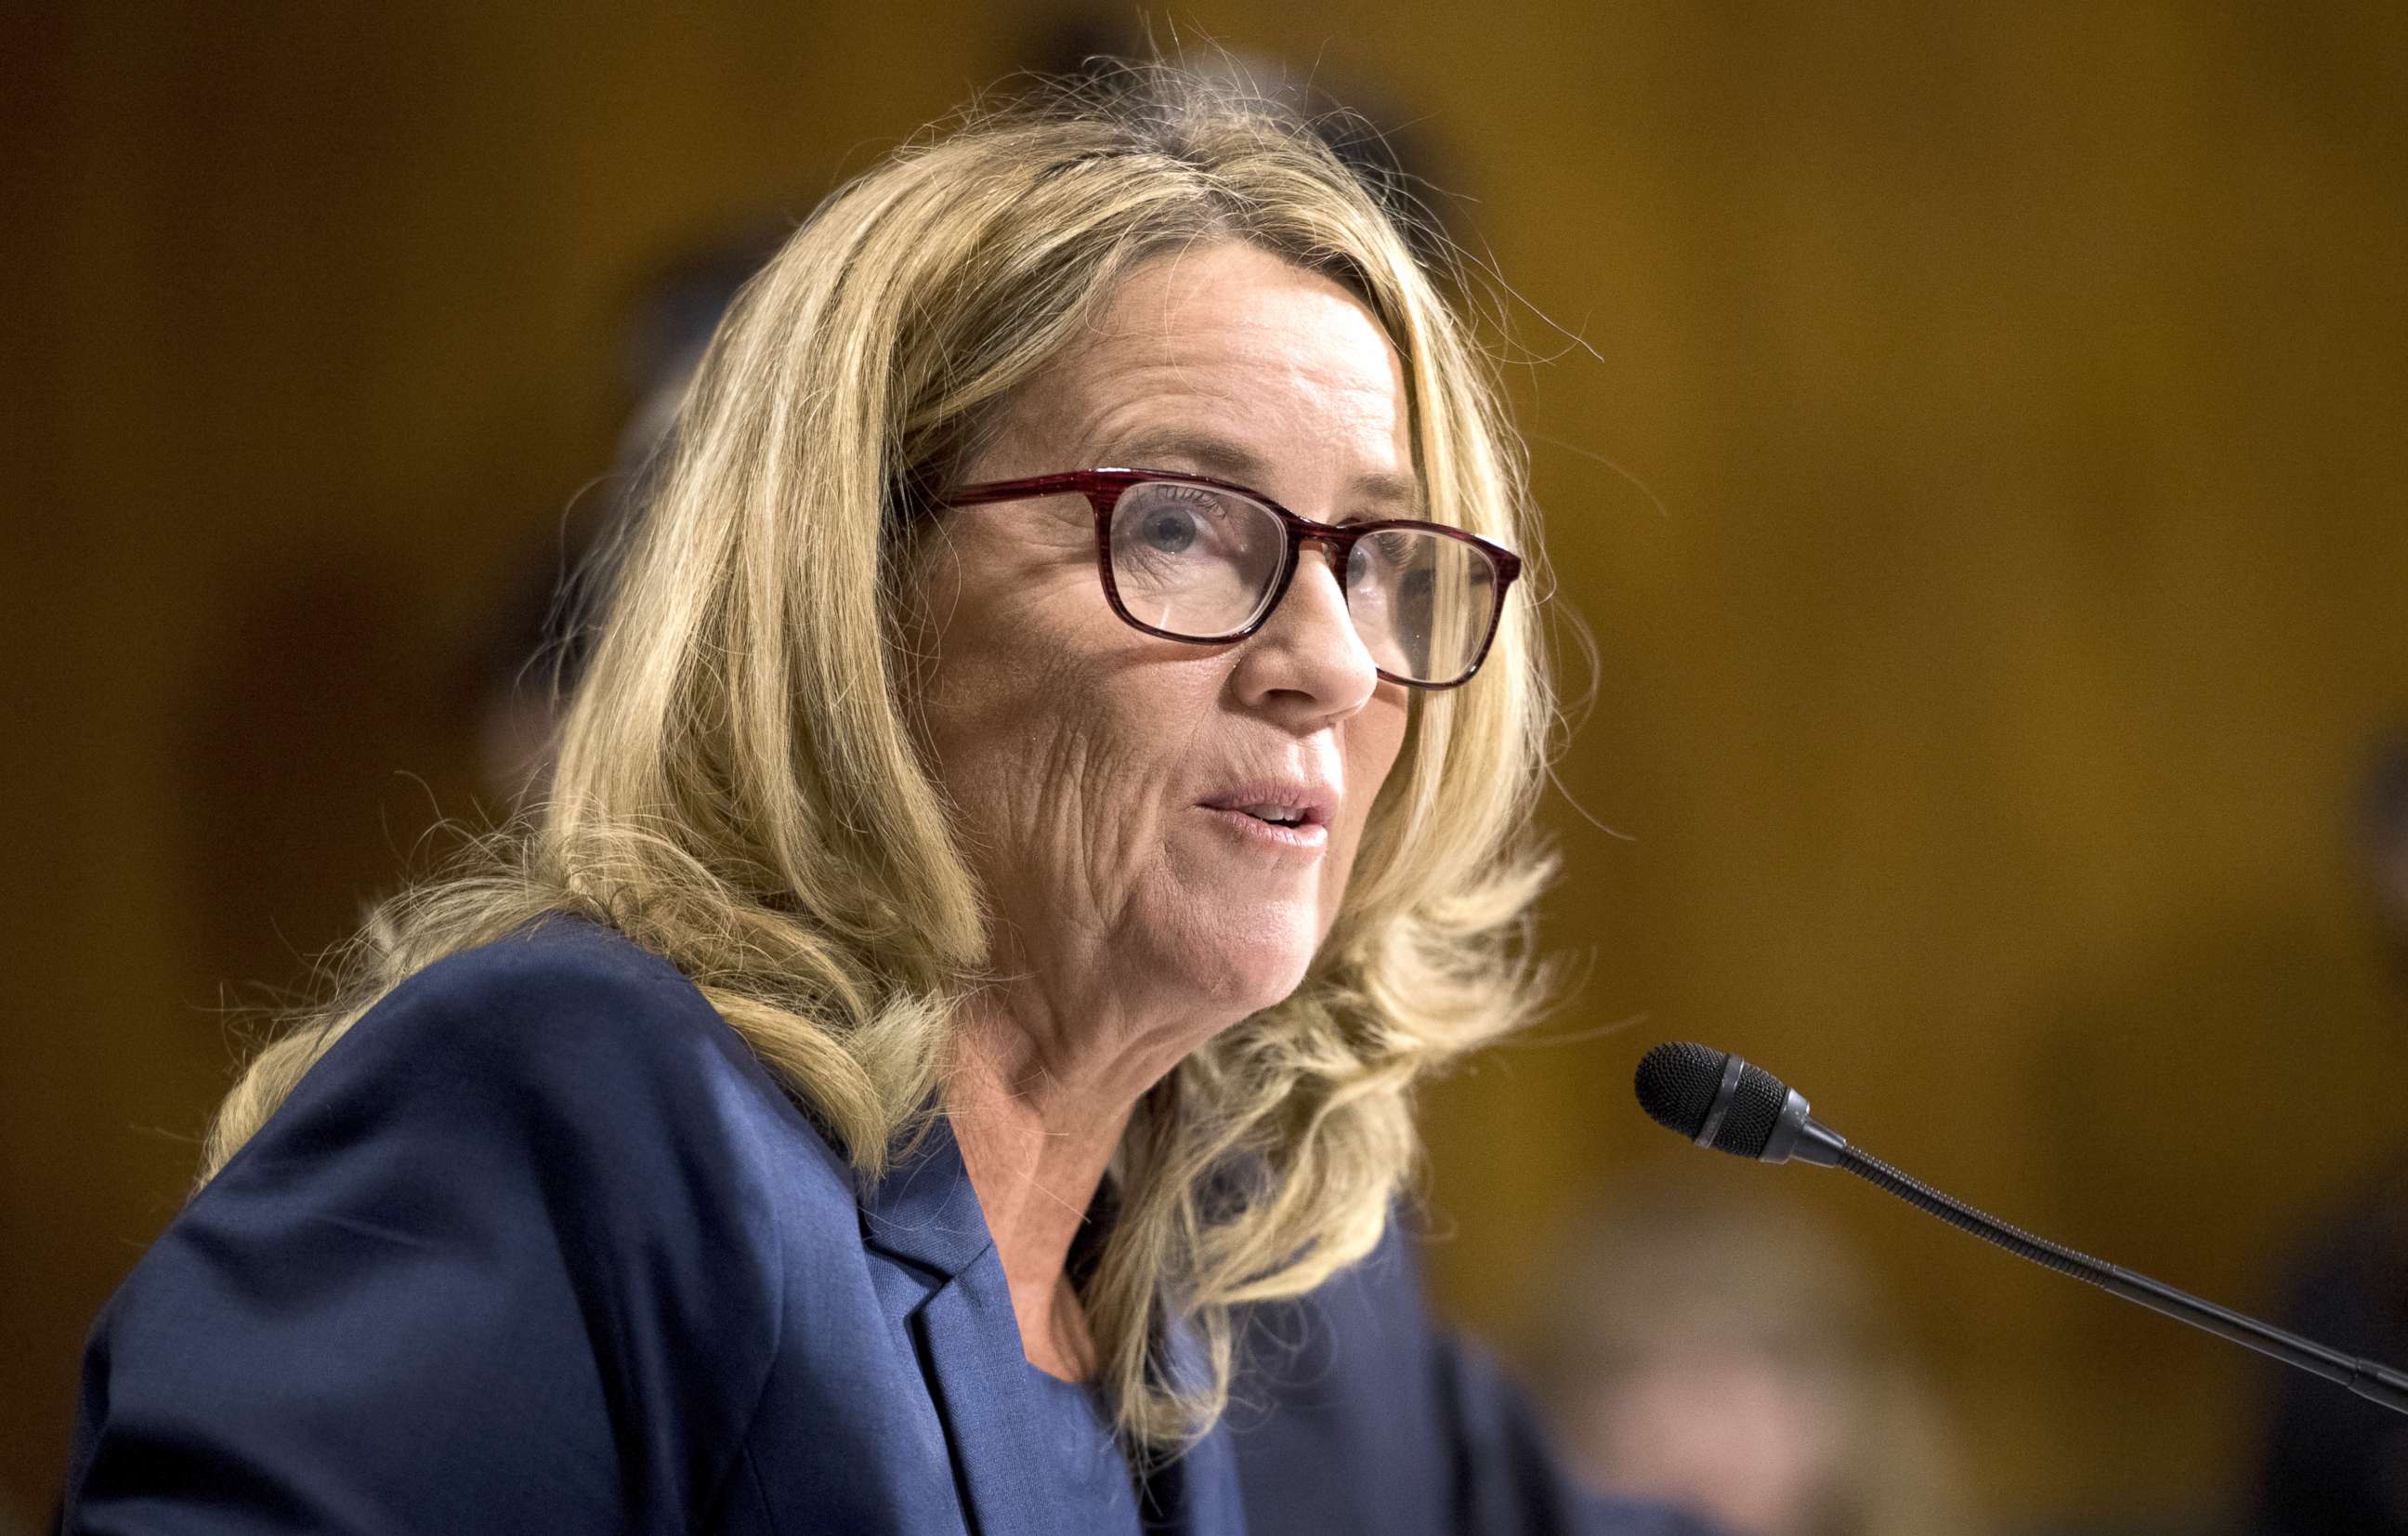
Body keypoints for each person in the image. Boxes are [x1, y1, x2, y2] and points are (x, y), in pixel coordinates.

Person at [62, 67, 1718, 1535]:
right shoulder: (573, 1112)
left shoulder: (1186, 1251)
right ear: (855, 592)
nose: (1333, 665)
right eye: (1184, 525)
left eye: (1378, 559)